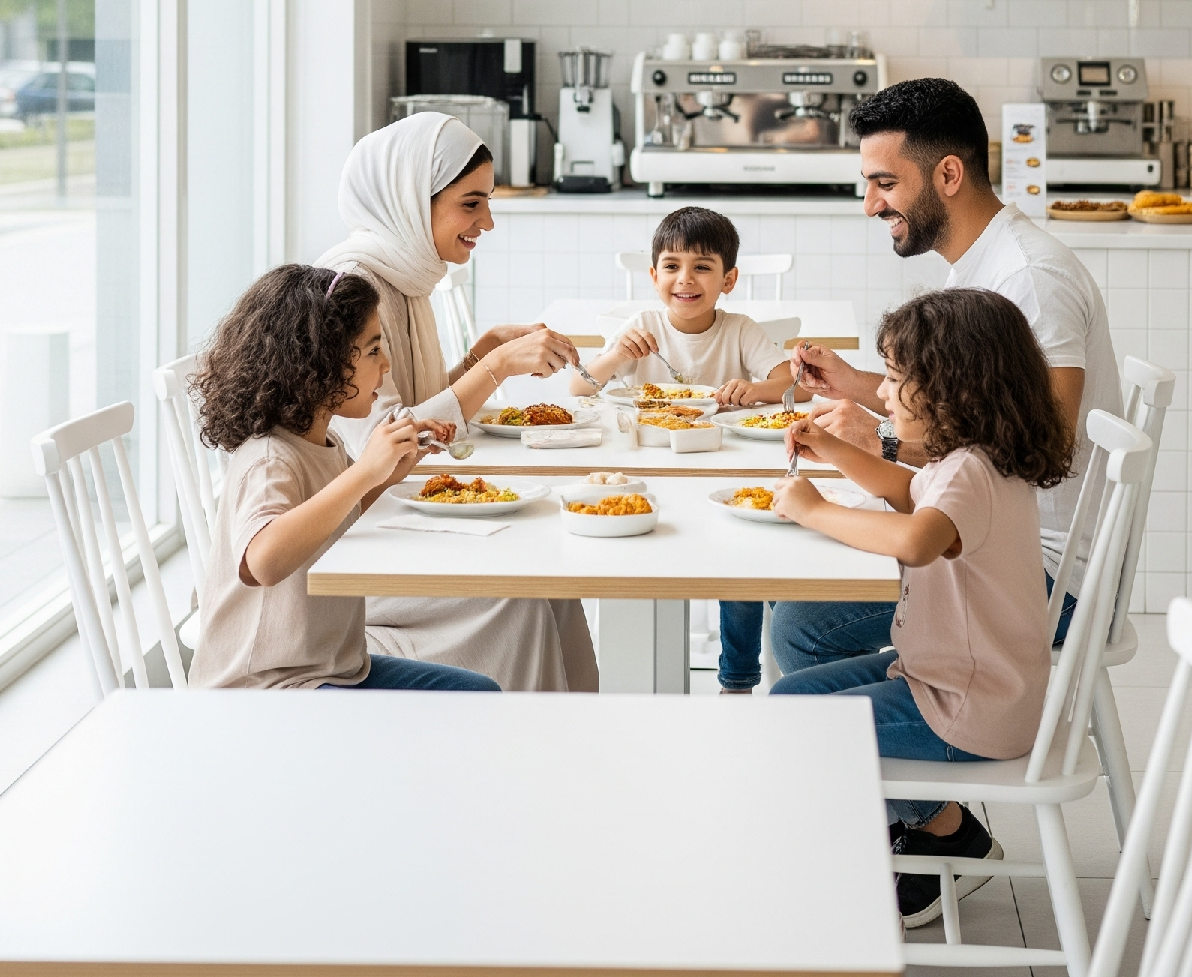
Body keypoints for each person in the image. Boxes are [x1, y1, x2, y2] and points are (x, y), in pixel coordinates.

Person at [773, 76, 1120, 676]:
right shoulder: (980, 265)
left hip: (1047, 573)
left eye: (886, 184)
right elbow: (978, 413)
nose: (872, 205)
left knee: (801, 621)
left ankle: (908, 727)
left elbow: (1045, 448)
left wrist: (884, 442)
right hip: (997, 534)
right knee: (797, 566)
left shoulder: (1028, 280)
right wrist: (855, 385)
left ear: (949, 176)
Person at [770, 288, 1073, 930]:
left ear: (954, 391)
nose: (882, 394)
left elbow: (917, 538)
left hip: (966, 707)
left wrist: (816, 510)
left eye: (898, 380)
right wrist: (838, 452)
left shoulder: (968, 470)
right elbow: (909, 492)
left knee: (800, 722)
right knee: (792, 699)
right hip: (962, 684)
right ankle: (912, 832)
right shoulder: (974, 458)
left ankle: (891, 841)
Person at [316, 111, 598, 692]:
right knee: (527, 586)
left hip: (391, 515)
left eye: (487, 202)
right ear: (410, 200)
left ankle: (568, 745)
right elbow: (383, 445)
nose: (488, 222)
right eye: (471, 204)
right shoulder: (349, 286)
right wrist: (494, 369)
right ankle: (516, 753)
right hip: (350, 545)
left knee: (555, 576)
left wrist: (478, 356)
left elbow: (408, 406)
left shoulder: (405, 274)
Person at [189, 264, 500, 692]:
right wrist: (366, 472)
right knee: (471, 699)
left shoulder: (325, 441)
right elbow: (264, 560)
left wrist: (387, 476)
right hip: (264, 690)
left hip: (333, 669)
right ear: (317, 361)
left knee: (479, 693)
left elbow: (335, 515)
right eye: (373, 350)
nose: (386, 365)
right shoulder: (269, 458)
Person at [569, 206, 797, 694]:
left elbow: (788, 382)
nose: (685, 279)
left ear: (728, 279)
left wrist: (751, 390)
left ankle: (737, 679)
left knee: (742, 566)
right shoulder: (644, 324)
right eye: (671, 266)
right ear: (654, 276)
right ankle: (634, 677)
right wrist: (615, 356)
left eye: (702, 267)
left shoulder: (739, 329)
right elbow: (578, 387)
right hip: (650, 473)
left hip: (725, 469)